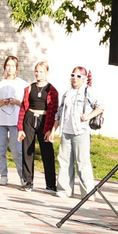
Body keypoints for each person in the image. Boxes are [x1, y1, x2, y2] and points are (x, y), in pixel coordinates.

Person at [19, 58, 60, 193]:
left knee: (47, 152)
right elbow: (23, 108)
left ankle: (50, 184)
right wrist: (20, 128)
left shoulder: (52, 90)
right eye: (36, 71)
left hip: (44, 120)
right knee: (27, 150)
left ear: (47, 72)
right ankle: (28, 182)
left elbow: (54, 111)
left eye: (41, 71)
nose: (38, 74)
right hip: (30, 118)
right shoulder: (29, 88)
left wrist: (50, 129)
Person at [61, 66, 102, 198]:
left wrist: (88, 116)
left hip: (81, 131)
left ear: (84, 78)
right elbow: (60, 111)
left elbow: (100, 107)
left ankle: (88, 193)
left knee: (82, 162)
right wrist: (54, 129)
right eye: (73, 75)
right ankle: (64, 190)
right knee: (65, 161)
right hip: (66, 131)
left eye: (78, 76)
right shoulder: (67, 93)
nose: (75, 78)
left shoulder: (87, 91)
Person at [0, 55, 26, 184]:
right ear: (5, 67)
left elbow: (26, 104)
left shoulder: (22, 84)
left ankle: (23, 176)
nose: (10, 68)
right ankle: (3, 175)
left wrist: (16, 102)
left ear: (17, 68)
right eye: (8, 65)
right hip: (0, 122)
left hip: (16, 121)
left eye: (13, 66)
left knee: (17, 151)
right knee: (0, 150)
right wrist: (3, 102)